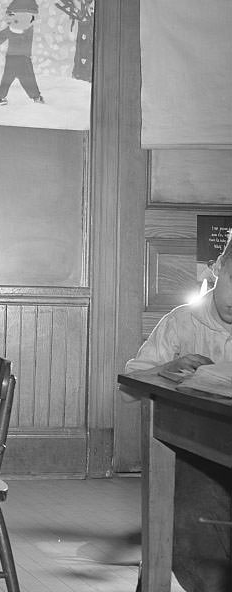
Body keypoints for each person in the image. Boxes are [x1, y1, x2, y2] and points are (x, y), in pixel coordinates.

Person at [123, 231, 232, 592]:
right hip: (191, 456)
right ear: (217, 269)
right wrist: (166, 370)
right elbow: (131, 383)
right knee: (188, 512)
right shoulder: (181, 321)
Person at [0, 0, 45, 106]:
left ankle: (36, 97)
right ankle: (2, 97)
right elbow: (0, 36)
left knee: (28, 79)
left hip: (23, 59)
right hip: (12, 59)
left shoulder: (28, 30)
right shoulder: (11, 29)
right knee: (7, 79)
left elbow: (8, 33)